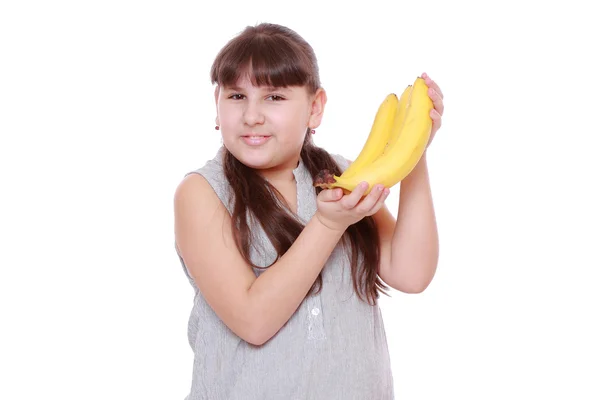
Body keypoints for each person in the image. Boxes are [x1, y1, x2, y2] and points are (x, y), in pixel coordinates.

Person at [173, 22, 444, 400]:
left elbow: (411, 273)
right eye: (236, 96)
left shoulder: (340, 176)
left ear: (315, 108)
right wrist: (328, 224)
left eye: (274, 97)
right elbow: (253, 320)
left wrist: (414, 153)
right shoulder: (202, 193)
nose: (252, 115)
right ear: (216, 105)